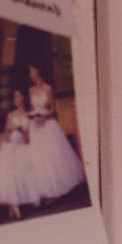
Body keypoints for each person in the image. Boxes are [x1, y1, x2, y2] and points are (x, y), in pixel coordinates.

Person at [26, 66, 86, 202]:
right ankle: (49, 191)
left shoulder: (48, 88)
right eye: (30, 73)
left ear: (38, 71)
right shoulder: (31, 90)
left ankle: (62, 188)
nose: (31, 75)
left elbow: (53, 110)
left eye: (32, 71)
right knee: (42, 159)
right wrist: (33, 115)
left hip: (47, 124)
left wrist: (43, 115)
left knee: (53, 155)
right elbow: (33, 108)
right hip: (36, 127)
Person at [0, 90, 41, 219]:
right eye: (14, 96)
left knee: (25, 168)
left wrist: (22, 131)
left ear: (23, 98)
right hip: (12, 147)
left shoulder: (29, 115)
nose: (16, 99)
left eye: (18, 96)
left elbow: (28, 139)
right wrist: (11, 130)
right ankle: (13, 203)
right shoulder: (10, 115)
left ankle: (22, 202)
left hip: (23, 147)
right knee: (10, 169)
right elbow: (6, 137)